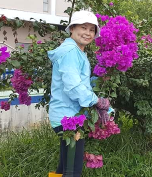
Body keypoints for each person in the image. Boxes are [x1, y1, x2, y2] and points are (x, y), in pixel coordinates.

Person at [47, 10, 110, 177]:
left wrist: (100, 104)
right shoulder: (70, 52)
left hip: (69, 114)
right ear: (72, 28)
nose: (88, 33)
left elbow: (82, 84)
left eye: (91, 30)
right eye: (83, 27)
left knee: (66, 164)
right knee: (72, 170)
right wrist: (96, 101)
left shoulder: (77, 51)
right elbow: (73, 86)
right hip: (67, 117)